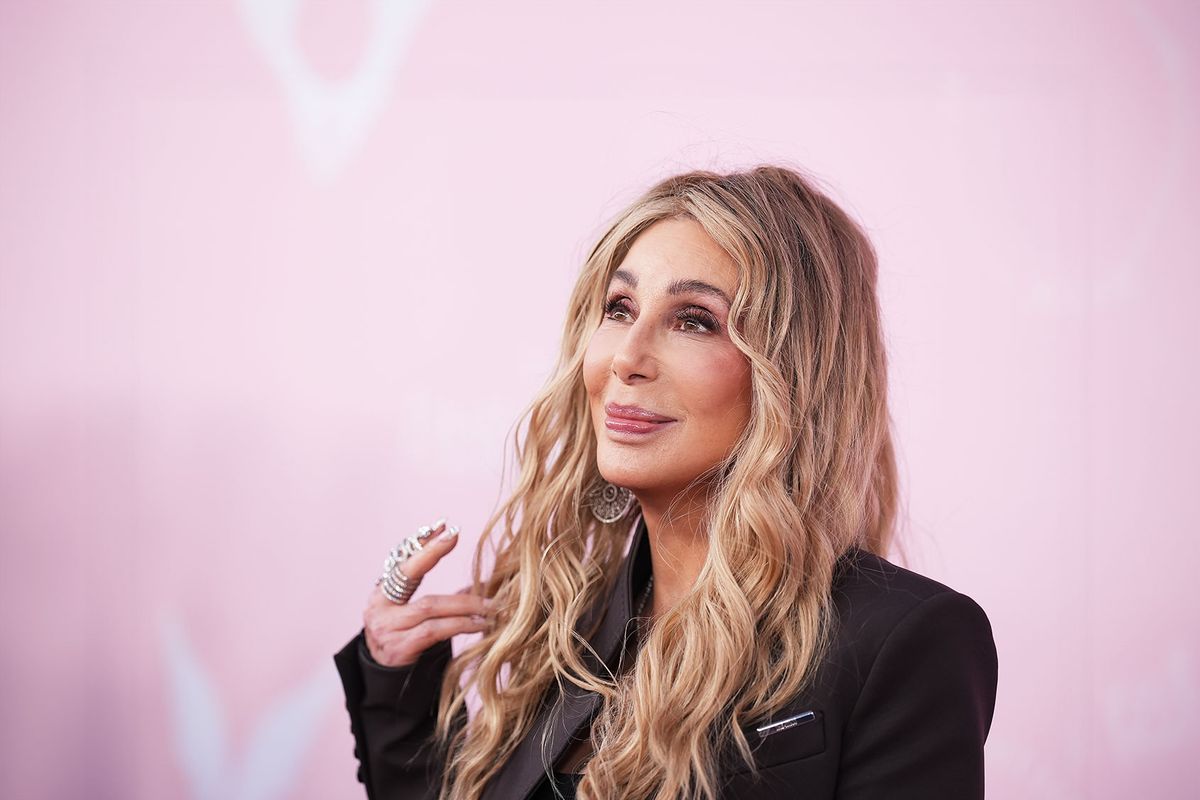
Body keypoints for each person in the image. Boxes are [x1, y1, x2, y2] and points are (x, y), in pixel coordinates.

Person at [333, 165, 999, 800]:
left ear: (793, 373)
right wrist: (395, 679)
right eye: (619, 307)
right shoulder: (577, 622)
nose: (626, 357)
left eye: (694, 320)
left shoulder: (905, 640)